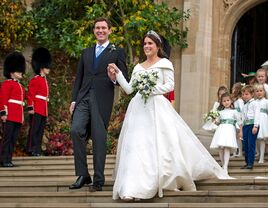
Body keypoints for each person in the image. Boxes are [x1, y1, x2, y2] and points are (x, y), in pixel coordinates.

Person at [108, 31, 230, 201]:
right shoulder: (137, 67)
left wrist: (150, 89)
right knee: (137, 146)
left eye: (150, 43)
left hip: (157, 107)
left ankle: (159, 180)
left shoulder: (165, 63)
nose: (147, 47)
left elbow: (170, 86)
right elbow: (129, 89)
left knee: (159, 144)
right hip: (138, 109)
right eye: (145, 44)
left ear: (158, 46)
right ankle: (131, 187)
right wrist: (117, 75)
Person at [69, 17, 128, 191]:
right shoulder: (86, 52)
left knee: (99, 139)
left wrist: (114, 78)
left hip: (102, 100)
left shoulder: (117, 51)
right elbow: (79, 78)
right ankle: (83, 174)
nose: (100, 30)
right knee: (75, 130)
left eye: (103, 28)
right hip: (83, 97)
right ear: (94, 31)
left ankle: (99, 180)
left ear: (110, 30)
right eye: (97, 28)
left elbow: (124, 78)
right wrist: (74, 99)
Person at [0, 52, 26, 167]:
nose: (21, 72)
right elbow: (3, 99)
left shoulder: (20, 86)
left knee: (13, 139)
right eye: (18, 70)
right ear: (12, 72)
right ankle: (3, 159)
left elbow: (21, 103)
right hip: (9, 115)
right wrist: (3, 113)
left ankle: (8, 160)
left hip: (17, 116)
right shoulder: (7, 84)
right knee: (7, 138)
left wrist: (22, 117)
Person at [26, 47, 52, 156]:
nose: (49, 69)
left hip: (43, 109)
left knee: (40, 130)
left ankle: (37, 149)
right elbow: (30, 95)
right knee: (34, 130)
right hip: (36, 108)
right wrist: (31, 107)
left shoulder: (44, 80)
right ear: (42, 67)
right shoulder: (35, 79)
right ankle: (30, 148)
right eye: (47, 67)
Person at [210, 92, 241, 174]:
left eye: (228, 100)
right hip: (221, 130)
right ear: (221, 103)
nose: (226, 102)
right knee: (220, 148)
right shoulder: (220, 112)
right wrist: (213, 119)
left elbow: (239, 122)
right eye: (224, 101)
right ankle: (223, 164)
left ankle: (225, 167)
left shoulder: (234, 112)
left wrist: (240, 131)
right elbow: (217, 122)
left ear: (231, 101)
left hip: (229, 130)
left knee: (227, 148)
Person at [240, 85, 260, 169]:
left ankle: (250, 163)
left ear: (252, 94)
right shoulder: (244, 105)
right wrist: (241, 128)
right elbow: (243, 117)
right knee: (245, 144)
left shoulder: (255, 103)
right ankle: (247, 162)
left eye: (247, 94)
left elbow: (257, 115)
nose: (245, 96)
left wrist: (255, 126)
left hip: (252, 125)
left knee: (251, 144)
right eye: (243, 94)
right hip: (245, 126)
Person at [254, 84, 268, 163]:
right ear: (255, 93)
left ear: (264, 92)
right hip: (255, 121)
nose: (259, 92)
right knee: (256, 139)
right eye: (257, 91)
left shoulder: (266, 102)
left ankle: (262, 157)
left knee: (262, 139)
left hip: (263, 121)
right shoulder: (254, 102)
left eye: (261, 91)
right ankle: (258, 153)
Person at [231, 82, 244, 157]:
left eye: (233, 88)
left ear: (237, 90)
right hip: (234, 119)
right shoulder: (234, 100)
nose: (232, 89)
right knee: (235, 137)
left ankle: (239, 152)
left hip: (239, 120)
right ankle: (235, 152)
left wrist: (241, 121)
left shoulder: (240, 100)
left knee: (239, 137)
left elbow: (242, 110)